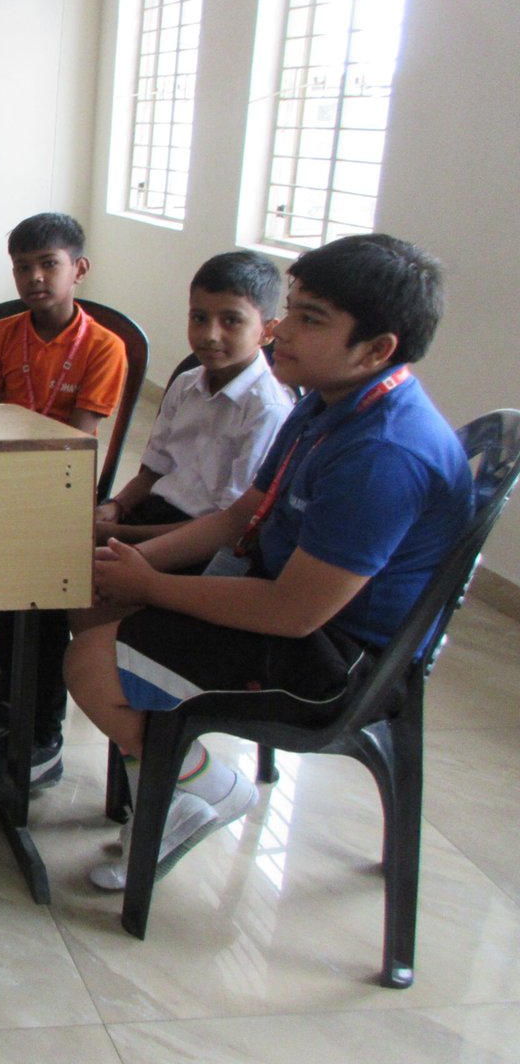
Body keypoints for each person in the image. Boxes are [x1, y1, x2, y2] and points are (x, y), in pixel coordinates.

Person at [66, 233, 471, 889]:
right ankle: (162, 783)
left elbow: (292, 612)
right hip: (288, 601)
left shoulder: (383, 452)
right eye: (292, 309)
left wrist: (154, 586)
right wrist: (129, 561)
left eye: (311, 319)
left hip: (339, 659)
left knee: (89, 661)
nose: (283, 329)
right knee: (93, 597)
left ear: (375, 349)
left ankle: (206, 786)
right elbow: (239, 517)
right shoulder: (324, 402)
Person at [0, 212, 127, 786]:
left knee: (40, 604)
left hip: (58, 491)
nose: (35, 277)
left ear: (78, 269)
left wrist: (29, 495)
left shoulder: (104, 346)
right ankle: (7, 703)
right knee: (3, 593)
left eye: (48, 264)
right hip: (2, 484)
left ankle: (42, 734)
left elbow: (78, 440)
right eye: (22, 267)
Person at [95, 250, 292, 545]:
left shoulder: (267, 410)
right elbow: (154, 471)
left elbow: (230, 524)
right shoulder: (185, 384)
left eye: (231, 321)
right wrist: (116, 506)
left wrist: (119, 536)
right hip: (151, 515)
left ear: (267, 331)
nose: (210, 334)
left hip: (201, 542)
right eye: (199, 318)